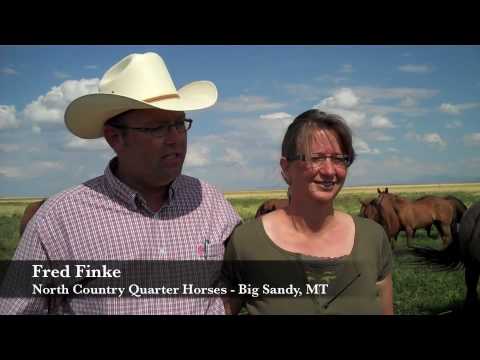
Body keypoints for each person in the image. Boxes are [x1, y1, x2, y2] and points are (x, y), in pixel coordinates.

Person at [0, 52, 241, 315]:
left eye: (179, 124)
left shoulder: (211, 202)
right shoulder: (59, 219)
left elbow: (242, 279)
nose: (175, 138)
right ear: (115, 138)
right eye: (157, 128)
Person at [222, 109, 393, 315]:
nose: (330, 171)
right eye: (317, 158)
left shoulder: (372, 238)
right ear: (286, 168)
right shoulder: (248, 242)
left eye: (339, 159)